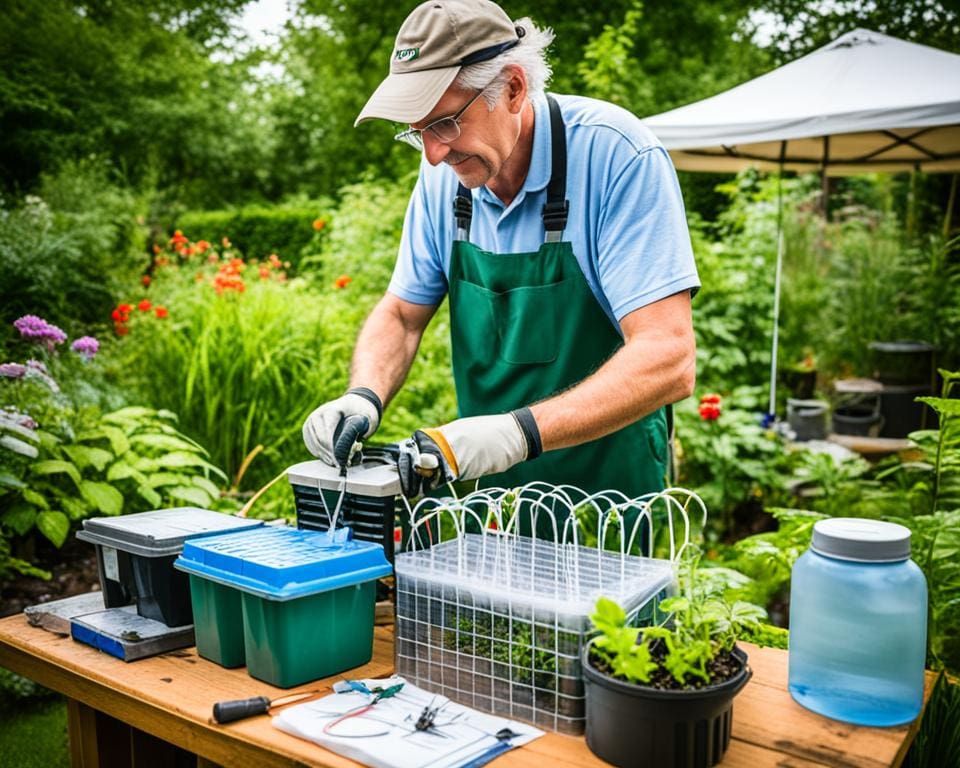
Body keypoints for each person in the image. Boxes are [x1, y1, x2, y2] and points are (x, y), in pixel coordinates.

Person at [303, 0, 699, 505]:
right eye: (417, 131)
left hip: (609, 502)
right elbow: (402, 316)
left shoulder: (616, 156)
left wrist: (515, 435)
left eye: (444, 122)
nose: (433, 154)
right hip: (493, 502)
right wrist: (363, 396)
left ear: (512, 88)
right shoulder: (444, 176)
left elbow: (668, 356)